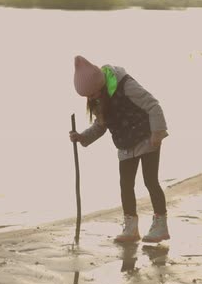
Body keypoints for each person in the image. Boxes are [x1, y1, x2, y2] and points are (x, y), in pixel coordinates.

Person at [69, 55, 170, 243]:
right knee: (125, 185)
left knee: (150, 181)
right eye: (87, 97)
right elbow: (101, 126)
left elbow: (152, 104)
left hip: (147, 137)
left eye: (91, 94)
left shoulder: (125, 85)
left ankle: (161, 225)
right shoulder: (98, 98)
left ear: (99, 84)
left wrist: (158, 132)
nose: (90, 99)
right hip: (125, 144)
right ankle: (131, 228)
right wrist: (83, 137)